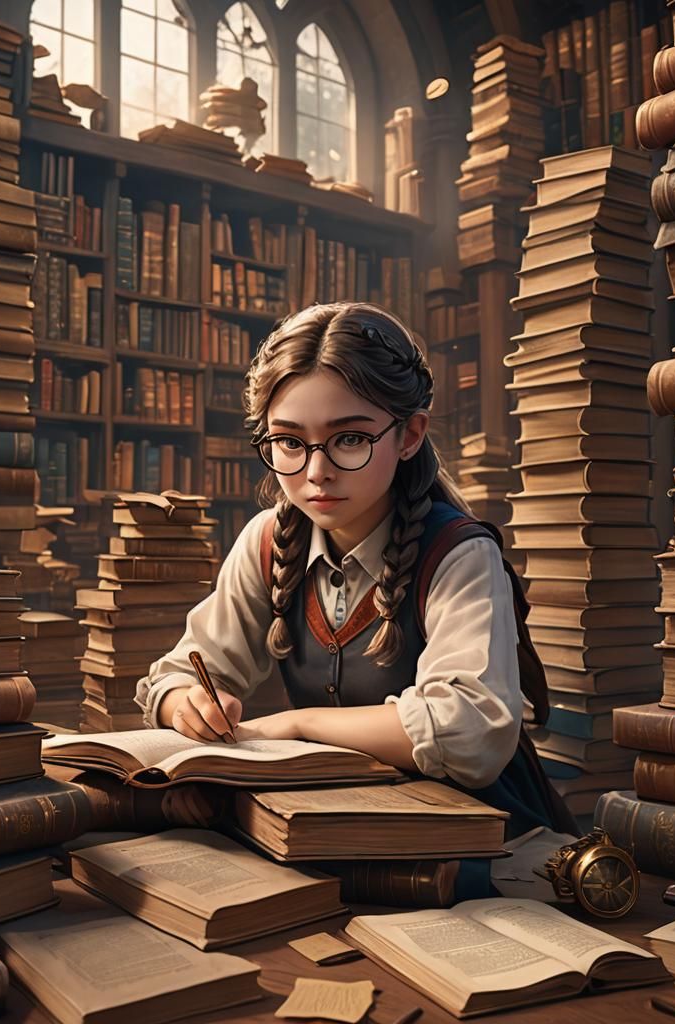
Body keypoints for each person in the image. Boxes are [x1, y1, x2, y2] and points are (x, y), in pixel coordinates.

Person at [135, 301, 565, 844]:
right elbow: (175, 675)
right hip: (341, 824)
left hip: (480, 833)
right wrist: (187, 704)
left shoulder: (458, 553)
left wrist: (298, 724)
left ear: (408, 436)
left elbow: (470, 731)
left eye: (350, 439)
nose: (316, 472)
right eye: (289, 442)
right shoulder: (267, 542)